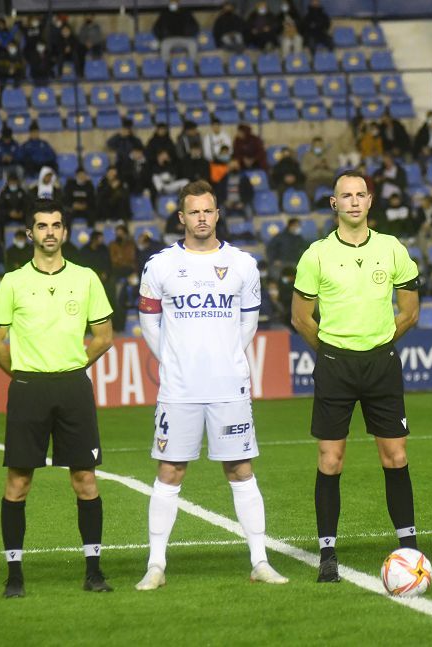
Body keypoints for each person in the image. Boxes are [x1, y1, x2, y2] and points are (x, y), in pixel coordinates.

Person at [135, 180, 287, 590]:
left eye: (208, 210)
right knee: (170, 471)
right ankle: (156, 565)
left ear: (217, 214)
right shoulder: (160, 266)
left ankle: (260, 560)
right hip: (179, 388)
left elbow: (248, 323)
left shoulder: (242, 264)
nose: (202, 218)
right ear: (181, 217)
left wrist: (224, 358)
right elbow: (148, 320)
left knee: (240, 469)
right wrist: (171, 358)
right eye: (194, 212)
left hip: (228, 386)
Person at [291, 172, 421, 583]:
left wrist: (379, 344)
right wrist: (332, 352)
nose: (352, 202)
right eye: (345, 195)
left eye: (359, 194)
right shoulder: (315, 255)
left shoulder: (392, 248)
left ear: (370, 201)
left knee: (395, 456)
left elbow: (410, 311)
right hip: (335, 367)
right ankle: (327, 553)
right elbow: (301, 317)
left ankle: (410, 548)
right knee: (331, 460)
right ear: (334, 204)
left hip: (381, 365)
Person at [0, 199, 115, 598]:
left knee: (85, 480)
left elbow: (104, 336)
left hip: (73, 386)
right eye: (42, 226)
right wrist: (26, 372)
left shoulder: (87, 278)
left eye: (56, 225)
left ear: (65, 232)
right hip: (29, 390)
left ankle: (93, 572)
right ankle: (14, 576)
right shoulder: (13, 282)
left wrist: (71, 365)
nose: (50, 232)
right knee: (19, 481)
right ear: (30, 234)